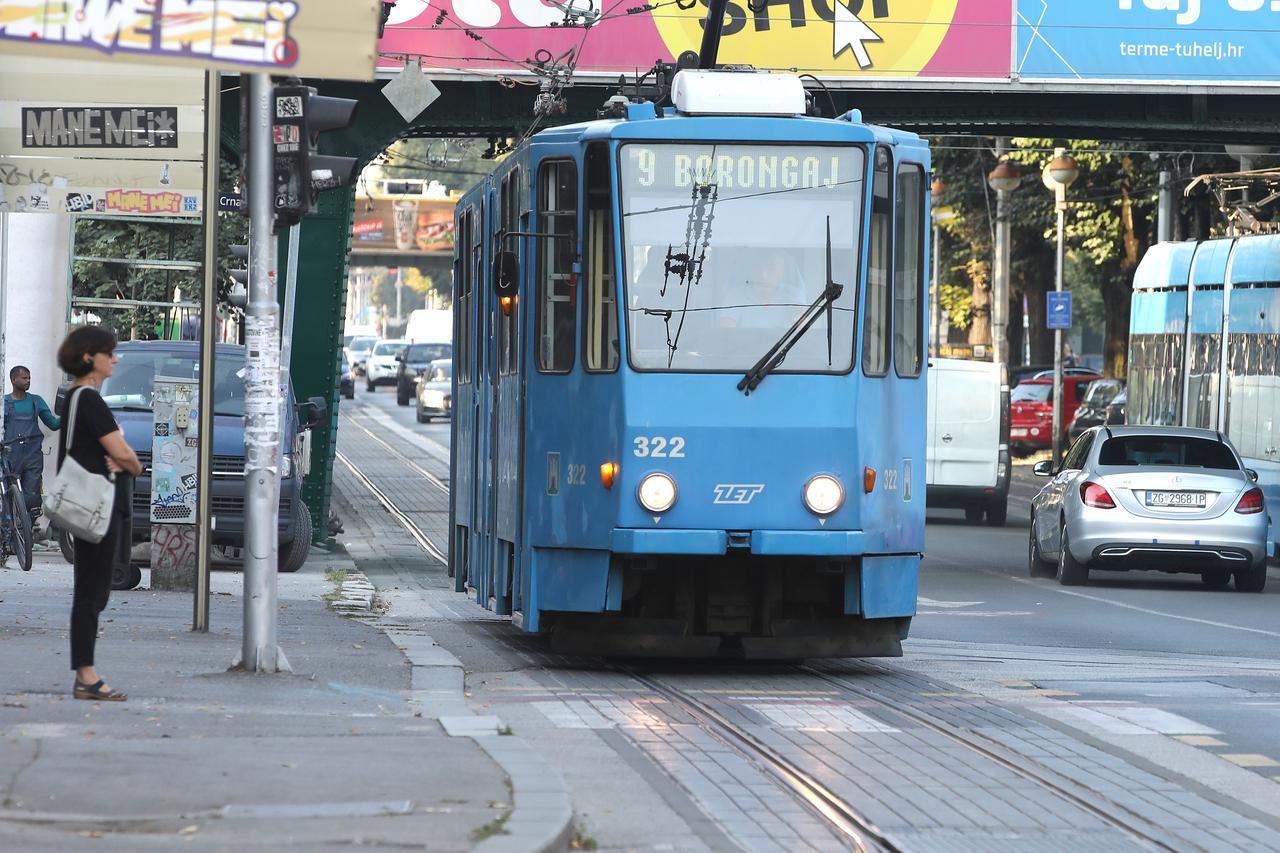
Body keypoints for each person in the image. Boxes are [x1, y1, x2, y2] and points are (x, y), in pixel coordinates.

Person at [56, 326, 141, 702]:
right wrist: (131, 463)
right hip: (96, 508)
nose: (115, 359)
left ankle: (85, 672)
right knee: (91, 592)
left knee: (93, 591)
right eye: (110, 352)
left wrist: (123, 458)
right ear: (90, 356)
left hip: (93, 506)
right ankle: (86, 675)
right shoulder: (89, 399)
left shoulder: (76, 397)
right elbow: (125, 456)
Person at [4, 365, 61, 522]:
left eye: (29, 378)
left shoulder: (36, 401)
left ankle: (28, 530)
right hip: (10, 456)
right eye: (24, 378)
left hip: (32, 456)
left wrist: (71, 412)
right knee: (8, 495)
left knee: (32, 497)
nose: (28, 381)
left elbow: (53, 424)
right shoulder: (4, 403)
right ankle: (9, 534)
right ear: (13, 379)